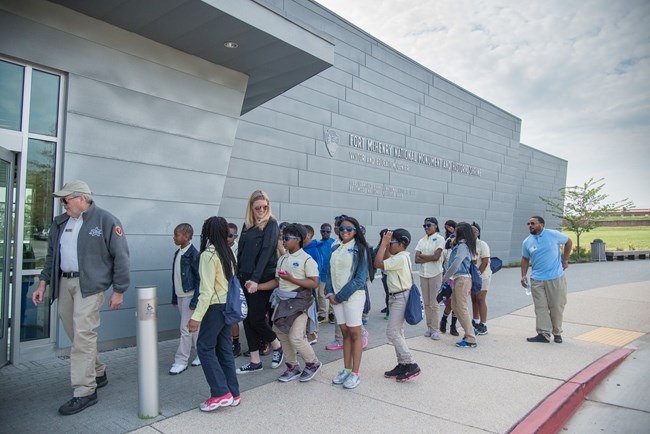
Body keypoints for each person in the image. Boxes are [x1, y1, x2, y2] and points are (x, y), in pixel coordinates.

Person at [32, 180, 130, 415]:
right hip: (65, 283)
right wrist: (43, 282)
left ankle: (85, 390)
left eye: (66, 200)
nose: (63, 204)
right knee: (76, 334)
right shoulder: (60, 223)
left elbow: (122, 256)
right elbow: (52, 256)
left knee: (83, 335)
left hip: (90, 286)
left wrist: (119, 290)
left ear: (81, 199)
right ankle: (98, 371)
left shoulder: (106, 220)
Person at [188, 216, 240, 411]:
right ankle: (233, 393)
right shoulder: (227, 252)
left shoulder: (209, 255)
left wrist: (196, 317)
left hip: (215, 308)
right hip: (227, 307)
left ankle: (220, 393)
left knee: (204, 348)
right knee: (224, 349)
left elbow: (206, 291)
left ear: (208, 232)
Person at [236, 190, 283, 373]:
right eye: (258, 207)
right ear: (251, 207)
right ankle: (255, 361)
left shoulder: (271, 224)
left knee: (256, 319)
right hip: (244, 278)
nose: (262, 210)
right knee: (246, 319)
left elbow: (267, 252)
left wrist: (255, 280)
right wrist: (238, 275)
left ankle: (277, 345)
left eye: (265, 206)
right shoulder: (247, 225)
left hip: (261, 278)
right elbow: (241, 252)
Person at [272, 223, 322, 382]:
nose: (283, 241)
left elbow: (314, 283)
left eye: (286, 238)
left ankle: (312, 363)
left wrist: (292, 279)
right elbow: (276, 281)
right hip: (283, 302)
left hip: (301, 303)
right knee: (281, 333)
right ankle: (292, 366)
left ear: (298, 239)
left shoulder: (307, 259)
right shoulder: (283, 259)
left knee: (295, 337)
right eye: (282, 238)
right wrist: (256, 286)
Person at [325, 216, 369, 389]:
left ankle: (355, 373)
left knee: (355, 333)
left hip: (353, 297)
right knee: (345, 334)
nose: (345, 231)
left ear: (356, 231)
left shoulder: (360, 248)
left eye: (349, 229)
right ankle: (346, 369)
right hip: (336, 298)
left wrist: (340, 296)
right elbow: (329, 273)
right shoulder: (335, 247)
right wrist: (329, 293)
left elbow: (360, 279)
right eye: (342, 228)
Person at [375, 229, 421, 382]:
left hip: (400, 297)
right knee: (398, 332)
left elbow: (378, 263)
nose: (389, 245)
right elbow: (386, 258)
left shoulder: (400, 258)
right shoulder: (400, 256)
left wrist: (383, 244)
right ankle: (402, 364)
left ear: (401, 244)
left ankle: (410, 363)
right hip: (397, 296)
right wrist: (387, 244)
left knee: (392, 333)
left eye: (392, 243)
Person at [520, 216, 572, 344]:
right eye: (529, 223)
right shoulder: (527, 241)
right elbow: (525, 259)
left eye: (533, 223)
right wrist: (523, 275)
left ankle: (557, 332)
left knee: (556, 306)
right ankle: (543, 333)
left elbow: (568, 242)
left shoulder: (553, 235)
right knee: (540, 307)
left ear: (541, 225)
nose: (530, 225)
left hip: (555, 277)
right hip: (537, 279)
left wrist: (565, 260)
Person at [169, 223, 201, 374]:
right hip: (181, 296)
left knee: (186, 329)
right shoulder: (178, 253)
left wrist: (195, 300)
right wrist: (175, 297)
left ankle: (181, 361)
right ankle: (201, 353)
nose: (174, 237)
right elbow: (174, 277)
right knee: (193, 329)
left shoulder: (194, 254)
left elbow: (198, 279)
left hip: (189, 296)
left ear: (187, 236)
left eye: (177, 235)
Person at [441, 222, 478, 348]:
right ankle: (470, 330)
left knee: (461, 307)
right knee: (455, 306)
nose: (453, 232)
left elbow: (456, 263)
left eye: (456, 230)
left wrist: (445, 278)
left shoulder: (462, 246)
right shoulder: (462, 245)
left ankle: (470, 338)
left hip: (462, 279)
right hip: (460, 279)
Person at [415, 217, 445, 341]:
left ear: (436, 226)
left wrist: (424, 256)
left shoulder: (440, 239)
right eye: (424, 226)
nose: (426, 228)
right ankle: (429, 327)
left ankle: (435, 329)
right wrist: (430, 257)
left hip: (435, 274)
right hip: (423, 274)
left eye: (429, 225)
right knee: (426, 303)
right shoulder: (421, 240)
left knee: (434, 303)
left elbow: (437, 257)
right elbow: (416, 259)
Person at [302, 225, 323, 344]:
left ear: (309, 235)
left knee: (311, 310)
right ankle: (307, 333)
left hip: (310, 285)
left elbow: (317, 267)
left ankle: (313, 335)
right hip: (303, 285)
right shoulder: (304, 248)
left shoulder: (313, 249)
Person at [470, 223, 491, 335]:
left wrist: (477, 275)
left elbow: (485, 261)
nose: (472, 233)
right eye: (470, 231)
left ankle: (483, 324)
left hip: (483, 276)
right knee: (474, 299)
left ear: (478, 233)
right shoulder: (468, 245)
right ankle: (476, 321)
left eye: (475, 231)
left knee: (480, 298)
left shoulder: (482, 244)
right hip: (471, 277)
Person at [440, 220, 459, 336]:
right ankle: (444, 320)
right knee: (449, 303)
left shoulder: (462, 251)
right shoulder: (446, 252)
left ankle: (453, 326)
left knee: (456, 303)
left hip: (459, 279)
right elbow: (440, 263)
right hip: (448, 280)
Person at [227, 222, 242, 357]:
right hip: (221, 286)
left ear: (235, 236)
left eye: (230, 235)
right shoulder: (218, 247)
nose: (227, 237)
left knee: (233, 316)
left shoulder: (239, 249)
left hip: (234, 285)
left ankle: (236, 343)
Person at [317, 223, 334, 323]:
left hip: (332, 273)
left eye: (328, 231)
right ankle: (322, 314)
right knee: (321, 294)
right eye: (323, 231)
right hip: (322, 274)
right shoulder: (318, 244)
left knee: (332, 292)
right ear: (320, 232)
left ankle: (331, 313)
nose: (325, 233)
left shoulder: (334, 243)